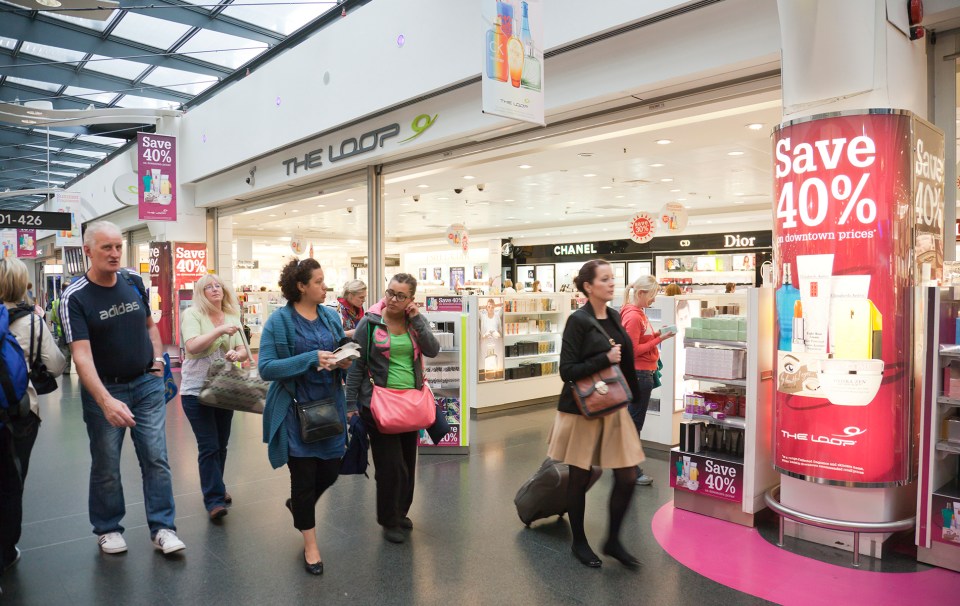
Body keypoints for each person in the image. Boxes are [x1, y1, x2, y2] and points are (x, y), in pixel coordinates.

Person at [59, 221, 185, 556]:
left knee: (156, 457)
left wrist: (159, 362)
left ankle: (163, 528)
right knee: (106, 462)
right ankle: (108, 528)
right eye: (107, 248)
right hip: (106, 390)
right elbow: (81, 358)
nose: (115, 254)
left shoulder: (133, 281)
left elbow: (150, 326)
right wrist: (105, 401)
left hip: (146, 384)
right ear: (88, 250)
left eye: (118, 247)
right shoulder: (74, 296)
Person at [547, 259, 644, 569]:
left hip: (613, 407)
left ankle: (613, 540)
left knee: (627, 474)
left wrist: (634, 395)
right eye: (604, 279)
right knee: (580, 475)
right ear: (588, 286)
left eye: (612, 278)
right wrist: (604, 358)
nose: (611, 283)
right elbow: (567, 371)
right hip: (583, 408)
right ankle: (579, 541)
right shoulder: (578, 320)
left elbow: (625, 362)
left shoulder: (615, 317)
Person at [258, 258, 353, 576]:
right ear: (301, 286)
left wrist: (344, 360)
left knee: (329, 473)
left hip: (330, 409)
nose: (325, 287)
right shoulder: (279, 322)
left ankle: (300, 508)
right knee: (303, 480)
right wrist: (310, 359)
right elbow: (267, 368)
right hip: (295, 413)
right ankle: (311, 546)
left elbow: (341, 349)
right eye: (319, 282)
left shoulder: (329, 316)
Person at [346, 273, 439, 544]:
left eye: (400, 295)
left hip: (410, 404)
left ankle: (400, 512)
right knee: (391, 466)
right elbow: (356, 365)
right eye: (390, 293)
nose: (393, 299)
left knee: (408, 464)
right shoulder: (371, 323)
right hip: (378, 403)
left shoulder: (414, 323)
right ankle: (388, 519)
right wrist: (351, 403)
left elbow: (432, 350)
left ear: (411, 299)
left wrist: (418, 318)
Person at [0, 259, 65, 574]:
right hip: (18, 414)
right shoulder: (31, 321)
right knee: (11, 484)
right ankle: (6, 550)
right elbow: (56, 366)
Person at [180, 273, 248, 521]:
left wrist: (236, 355)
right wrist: (220, 331)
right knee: (208, 445)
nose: (214, 289)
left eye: (217, 285)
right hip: (195, 389)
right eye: (208, 287)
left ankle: (216, 486)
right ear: (201, 293)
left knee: (221, 443)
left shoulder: (232, 315)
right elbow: (192, 347)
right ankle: (214, 500)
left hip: (223, 387)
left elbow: (241, 348)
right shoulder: (193, 315)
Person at [620, 276, 676, 486]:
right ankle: (630, 470)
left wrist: (658, 334)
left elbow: (636, 341)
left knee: (629, 422)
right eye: (652, 295)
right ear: (641, 293)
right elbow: (632, 351)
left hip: (639, 373)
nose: (654, 300)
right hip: (639, 374)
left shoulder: (632, 312)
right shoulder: (634, 316)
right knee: (634, 424)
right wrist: (659, 339)